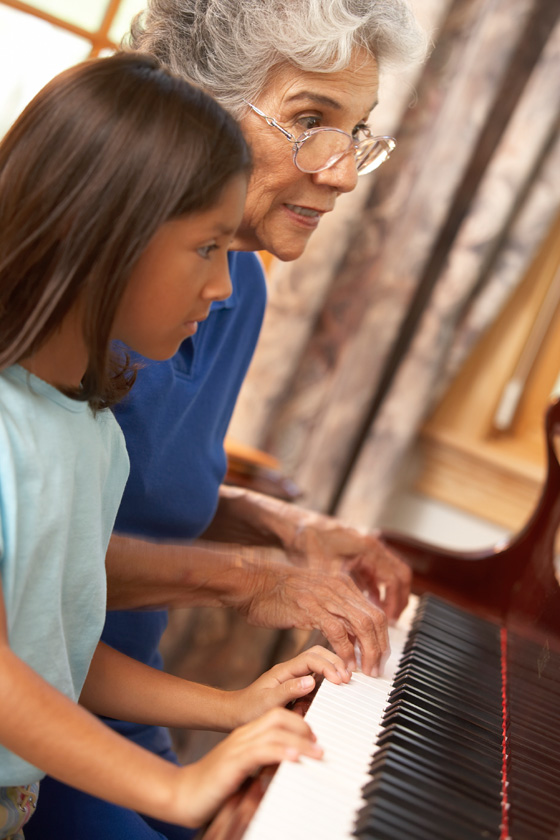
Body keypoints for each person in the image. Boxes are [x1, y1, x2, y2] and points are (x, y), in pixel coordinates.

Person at [27, 2, 428, 838]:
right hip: (44, 725)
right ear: (194, 108)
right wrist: (247, 578)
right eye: (311, 121)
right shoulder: (75, 306)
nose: (346, 172)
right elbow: (34, 550)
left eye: (358, 133)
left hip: (114, 685)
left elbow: (119, 494)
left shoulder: (232, 291)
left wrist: (277, 525)